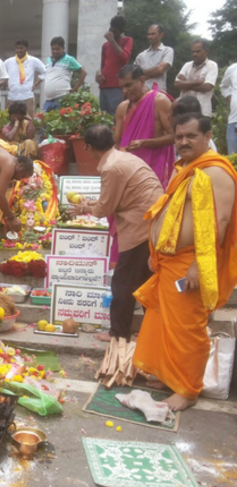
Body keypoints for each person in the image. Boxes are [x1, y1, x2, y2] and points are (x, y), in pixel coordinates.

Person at [133, 113, 237, 411]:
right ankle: (170, 376)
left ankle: (188, 389)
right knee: (166, 322)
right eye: (178, 137)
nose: (183, 142)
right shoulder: (189, 168)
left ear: (208, 136)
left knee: (187, 326)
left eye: (191, 136)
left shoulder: (216, 172)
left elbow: (220, 221)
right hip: (171, 261)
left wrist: (197, 264)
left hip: (193, 263)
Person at [68, 125, 163, 342]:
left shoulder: (111, 167)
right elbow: (114, 199)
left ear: (89, 148)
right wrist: (91, 203)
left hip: (141, 225)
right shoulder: (122, 157)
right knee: (147, 281)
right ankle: (152, 331)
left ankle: (118, 332)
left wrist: (84, 208)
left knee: (123, 282)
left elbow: (105, 209)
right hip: (153, 222)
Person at [114, 65, 174, 188]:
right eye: (122, 87)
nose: (125, 91)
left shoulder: (160, 101)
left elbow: (175, 136)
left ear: (141, 80)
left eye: (128, 85)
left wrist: (144, 143)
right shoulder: (122, 108)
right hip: (128, 169)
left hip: (154, 168)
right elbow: (117, 142)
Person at [96, 15, 133, 116]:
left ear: (121, 31)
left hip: (117, 86)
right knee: (103, 115)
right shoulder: (105, 46)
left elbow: (125, 57)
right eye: (110, 30)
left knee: (115, 114)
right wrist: (99, 71)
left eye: (115, 32)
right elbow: (103, 64)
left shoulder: (127, 40)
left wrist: (112, 41)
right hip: (104, 85)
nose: (112, 33)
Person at [175, 40, 218, 117]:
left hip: (202, 111)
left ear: (206, 51)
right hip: (183, 111)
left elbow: (207, 87)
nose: (194, 54)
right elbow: (176, 84)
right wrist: (197, 82)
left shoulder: (212, 66)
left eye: (198, 51)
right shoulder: (187, 65)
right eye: (193, 52)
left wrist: (185, 83)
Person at [43, 37, 87, 112]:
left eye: (57, 49)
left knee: (61, 122)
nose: (55, 51)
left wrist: (75, 89)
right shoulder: (48, 60)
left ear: (63, 48)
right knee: (45, 122)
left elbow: (83, 72)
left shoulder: (69, 59)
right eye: (53, 49)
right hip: (48, 100)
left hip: (62, 98)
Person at [4, 39, 46, 117]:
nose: (19, 50)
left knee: (28, 121)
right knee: (10, 120)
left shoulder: (33, 61)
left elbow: (45, 72)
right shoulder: (8, 62)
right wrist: (6, 83)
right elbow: (1, 74)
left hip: (27, 96)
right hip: (12, 96)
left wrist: (35, 84)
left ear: (26, 49)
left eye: (21, 48)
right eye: (17, 48)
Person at [134, 24, 174, 93]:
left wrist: (141, 72)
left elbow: (160, 70)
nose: (150, 37)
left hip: (159, 94)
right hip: (142, 94)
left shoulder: (167, 50)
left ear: (161, 35)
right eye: (148, 34)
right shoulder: (141, 55)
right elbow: (134, 74)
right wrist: (154, 71)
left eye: (153, 34)